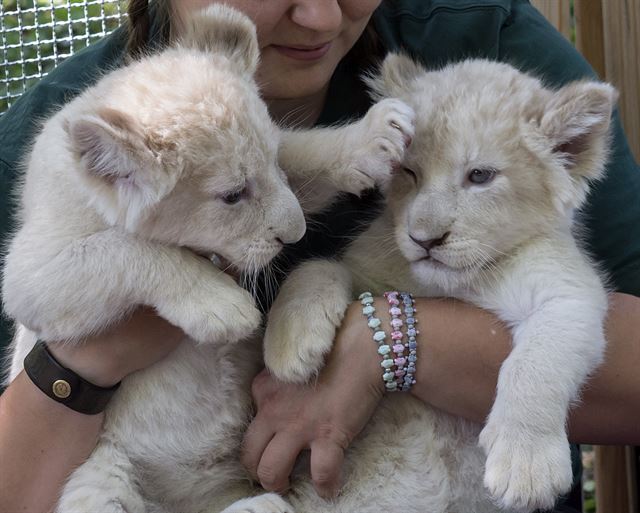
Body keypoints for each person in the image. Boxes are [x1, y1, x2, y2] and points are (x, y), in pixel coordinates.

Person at [0, 1, 638, 512]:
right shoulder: (66, 135)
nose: (325, 17)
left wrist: (390, 344)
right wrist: (91, 355)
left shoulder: (476, 39)